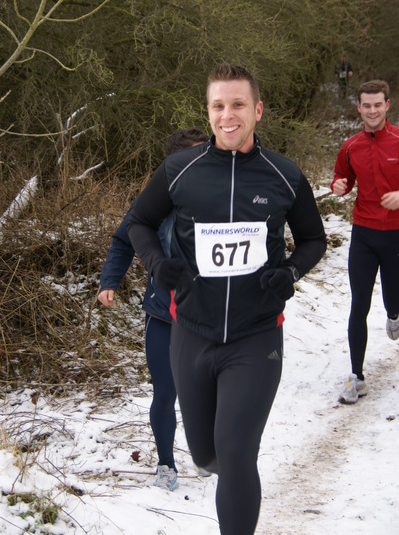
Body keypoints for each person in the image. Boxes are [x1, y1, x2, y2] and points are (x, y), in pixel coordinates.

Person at [127, 63, 326, 535]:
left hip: (255, 337)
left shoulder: (284, 173)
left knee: (237, 454)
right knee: (206, 452)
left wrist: (291, 271)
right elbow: (138, 222)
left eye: (238, 104)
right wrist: (157, 264)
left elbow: (314, 239)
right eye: (219, 105)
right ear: (209, 111)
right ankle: (215, 459)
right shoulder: (180, 170)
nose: (228, 115)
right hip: (191, 333)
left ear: (257, 110)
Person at [97, 128, 208, 492]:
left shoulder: (221, 195)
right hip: (163, 313)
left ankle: (206, 453)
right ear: (173, 164)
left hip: (209, 316)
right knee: (166, 391)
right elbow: (123, 237)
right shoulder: (154, 200)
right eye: (195, 156)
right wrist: (110, 281)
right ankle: (165, 464)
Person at [331, 79, 399, 404]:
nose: (372, 110)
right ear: (359, 108)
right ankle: (356, 377)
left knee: (393, 302)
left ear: (387, 105)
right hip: (364, 235)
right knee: (359, 304)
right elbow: (340, 176)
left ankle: (395, 315)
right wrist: (339, 186)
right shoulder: (351, 145)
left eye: (378, 104)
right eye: (366, 105)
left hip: (396, 236)